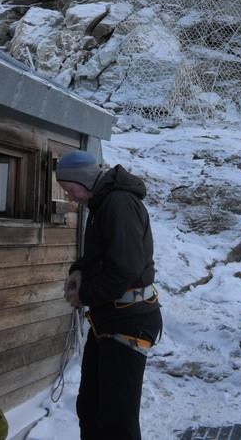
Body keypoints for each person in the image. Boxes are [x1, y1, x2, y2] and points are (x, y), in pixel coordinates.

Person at [56, 149, 162, 440]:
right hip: (108, 320)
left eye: (70, 189)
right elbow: (100, 255)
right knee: (90, 409)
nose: (70, 197)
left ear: (84, 180)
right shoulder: (102, 204)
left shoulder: (119, 204)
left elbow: (124, 268)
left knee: (117, 422)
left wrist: (85, 294)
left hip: (129, 322)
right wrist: (79, 270)